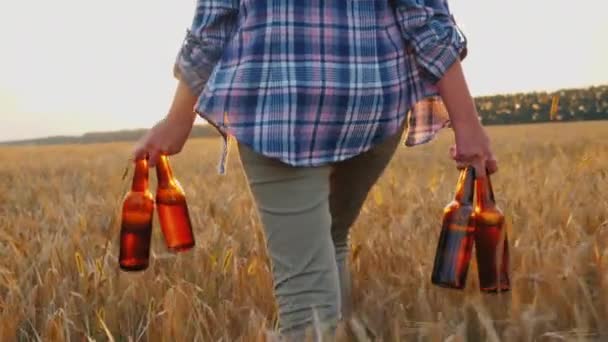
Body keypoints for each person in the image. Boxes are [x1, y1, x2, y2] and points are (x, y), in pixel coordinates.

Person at [133, 0, 498, 339]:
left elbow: (213, 26)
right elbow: (424, 17)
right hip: (372, 103)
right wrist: (466, 123)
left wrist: (177, 119)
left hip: (277, 110)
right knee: (332, 234)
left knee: (306, 299)